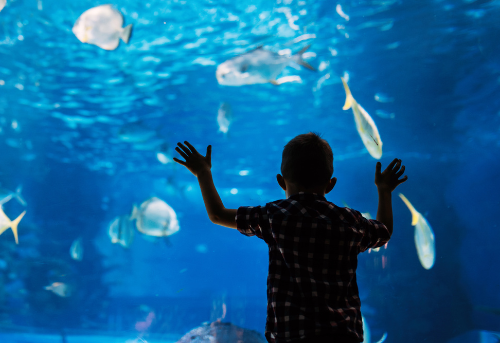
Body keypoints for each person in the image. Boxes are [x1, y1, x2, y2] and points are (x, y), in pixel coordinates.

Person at [173, 133, 407, 343]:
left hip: (291, 335)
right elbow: (384, 230)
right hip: (342, 335)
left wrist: (203, 172)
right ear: (331, 184)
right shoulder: (349, 222)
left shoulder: (275, 217)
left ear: (281, 181)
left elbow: (217, 214)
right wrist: (384, 190)